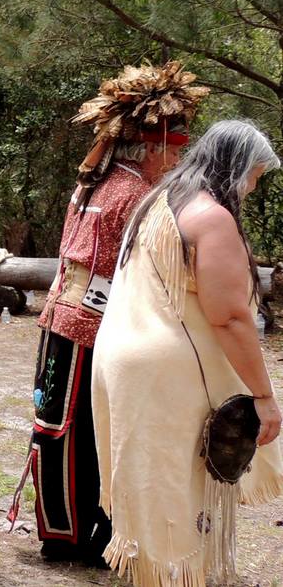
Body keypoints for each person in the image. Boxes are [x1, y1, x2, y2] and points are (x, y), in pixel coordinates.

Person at [11, 61, 209, 566]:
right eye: (172, 149)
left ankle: (62, 531)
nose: (173, 161)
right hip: (96, 325)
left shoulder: (92, 182)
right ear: (150, 147)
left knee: (57, 424)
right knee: (91, 429)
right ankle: (84, 535)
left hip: (60, 317)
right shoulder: (139, 195)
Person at [93, 119, 283, 585]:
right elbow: (230, 317)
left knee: (156, 494)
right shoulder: (211, 217)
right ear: (237, 169)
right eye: (255, 176)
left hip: (125, 360)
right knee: (180, 496)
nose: (254, 187)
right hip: (169, 373)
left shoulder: (157, 203)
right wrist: (264, 396)